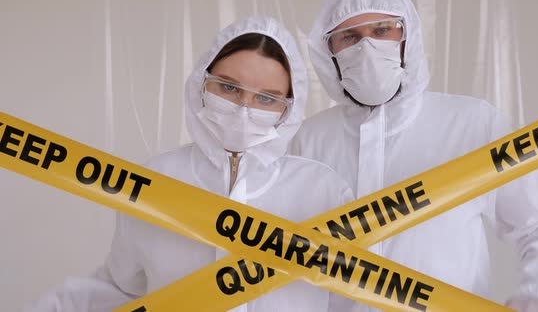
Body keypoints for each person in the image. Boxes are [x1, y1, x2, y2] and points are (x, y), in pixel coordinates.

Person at [290, 0, 538, 311]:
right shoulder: (309, 140)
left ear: (408, 38)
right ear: (327, 51)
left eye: (383, 29)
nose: (368, 47)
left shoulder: (473, 123)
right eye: (349, 37)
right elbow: (282, 255)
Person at [24, 16, 353, 312]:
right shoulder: (157, 180)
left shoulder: (322, 189)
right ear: (201, 82)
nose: (243, 109)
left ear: (289, 109)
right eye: (228, 87)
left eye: (266, 98)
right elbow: (125, 289)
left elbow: (349, 301)